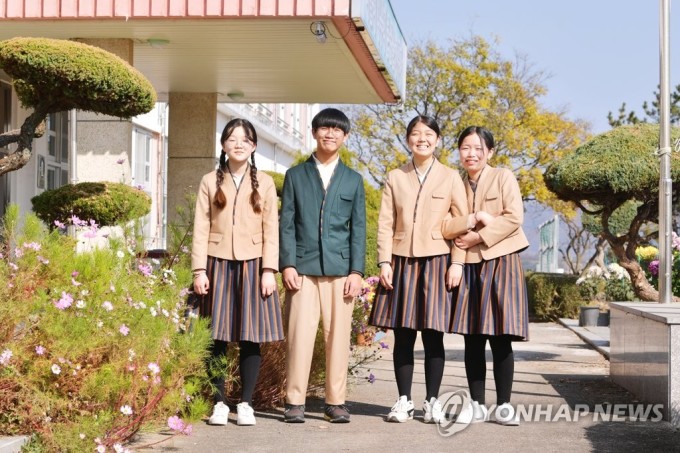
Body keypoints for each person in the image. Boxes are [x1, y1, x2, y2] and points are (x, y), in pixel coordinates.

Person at [369, 115, 468, 424]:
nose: (421, 138)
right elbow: (385, 223)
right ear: (408, 139)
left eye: (428, 134)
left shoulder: (451, 177)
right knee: (403, 335)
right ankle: (403, 401)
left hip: (438, 262)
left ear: (437, 140)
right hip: (400, 261)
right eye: (415, 133)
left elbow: (462, 224)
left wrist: (457, 263)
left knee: (434, 335)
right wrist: (384, 261)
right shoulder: (395, 176)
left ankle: (432, 401)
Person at [192, 118, 282, 427]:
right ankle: (219, 402)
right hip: (216, 264)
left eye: (245, 139)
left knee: (250, 337)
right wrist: (198, 270)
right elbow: (200, 228)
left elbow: (272, 230)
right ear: (223, 145)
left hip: (254, 265)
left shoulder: (266, 182)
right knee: (216, 337)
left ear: (254, 146)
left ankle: (245, 403)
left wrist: (269, 270)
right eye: (232, 138)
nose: (238, 143)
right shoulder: (209, 181)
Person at [279, 107, 366, 424]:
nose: (330, 134)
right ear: (314, 132)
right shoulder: (295, 176)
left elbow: (359, 230)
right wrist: (287, 264)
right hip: (302, 271)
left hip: (341, 273)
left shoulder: (354, 180)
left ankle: (336, 402)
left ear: (345, 137)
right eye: (324, 128)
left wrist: (357, 271)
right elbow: (286, 225)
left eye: (337, 130)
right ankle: (294, 402)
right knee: (299, 337)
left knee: (338, 339)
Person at [441, 125, 529, 426]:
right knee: (473, 337)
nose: (472, 153)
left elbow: (514, 217)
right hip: (469, 265)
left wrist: (478, 235)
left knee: (501, 337)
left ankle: (504, 405)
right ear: (459, 151)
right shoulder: (456, 182)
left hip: (502, 262)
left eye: (478, 148)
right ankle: (476, 404)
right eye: (466, 147)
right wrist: (458, 257)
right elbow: (449, 226)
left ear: (489, 152)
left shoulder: (503, 176)